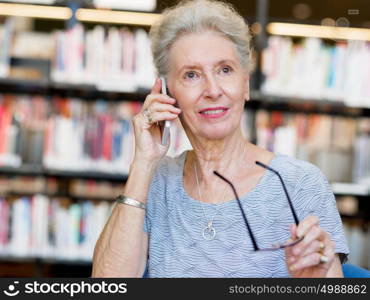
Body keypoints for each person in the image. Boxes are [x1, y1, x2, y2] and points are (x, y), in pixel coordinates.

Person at [92, 0, 349, 278]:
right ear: (166, 92)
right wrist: (143, 163)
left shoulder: (301, 184)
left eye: (225, 70)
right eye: (191, 75)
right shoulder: (156, 182)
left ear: (245, 84)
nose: (213, 90)